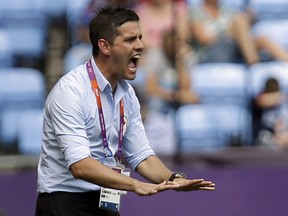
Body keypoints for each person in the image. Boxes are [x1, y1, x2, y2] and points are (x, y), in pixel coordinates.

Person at [35, 7, 215, 216]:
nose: (141, 45)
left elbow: (142, 156)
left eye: (140, 37)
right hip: (65, 202)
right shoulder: (70, 91)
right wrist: (134, 184)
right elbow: (80, 166)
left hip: (106, 200)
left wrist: (173, 178)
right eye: (131, 40)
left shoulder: (127, 94)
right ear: (105, 46)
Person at [188, 0, 288, 65]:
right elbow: (203, 39)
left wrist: (249, 18)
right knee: (240, 22)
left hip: (233, 47)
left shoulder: (226, 11)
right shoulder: (196, 12)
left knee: (262, 40)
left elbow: (240, 29)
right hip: (210, 53)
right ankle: (253, 62)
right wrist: (227, 32)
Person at [143, 28, 199, 114]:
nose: (171, 48)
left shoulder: (188, 57)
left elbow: (186, 89)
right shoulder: (154, 56)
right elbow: (151, 89)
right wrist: (176, 96)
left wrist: (180, 63)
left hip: (178, 98)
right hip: (163, 98)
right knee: (155, 103)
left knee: (192, 101)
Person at [255, 77, 288, 150]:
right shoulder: (262, 98)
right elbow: (262, 101)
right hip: (268, 134)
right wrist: (280, 97)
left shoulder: (284, 102)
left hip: (284, 133)